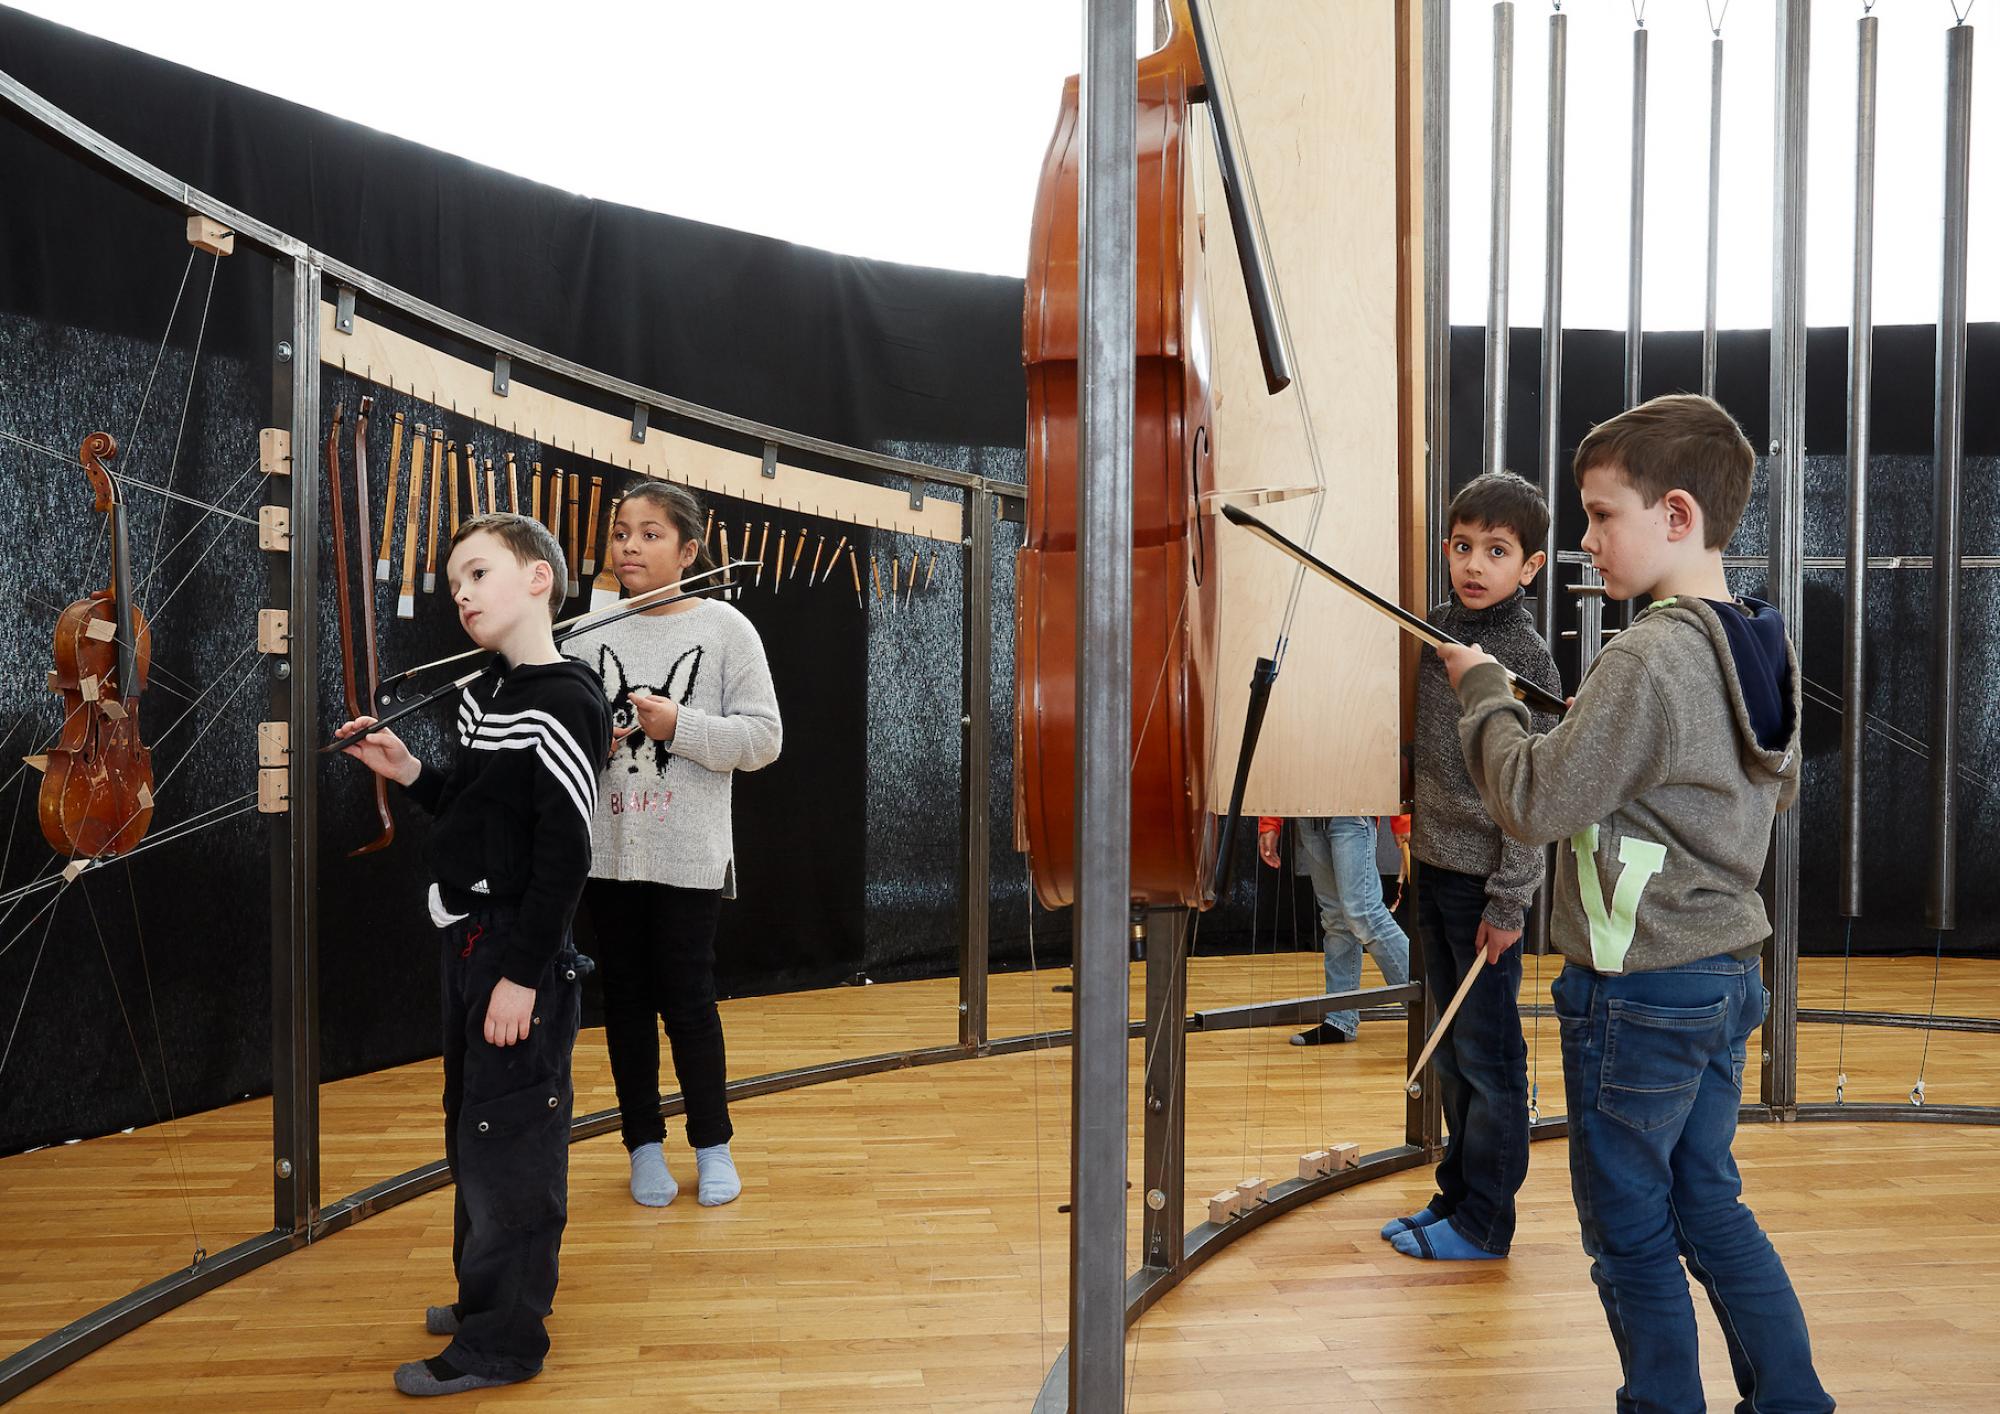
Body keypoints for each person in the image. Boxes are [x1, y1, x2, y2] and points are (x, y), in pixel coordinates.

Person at [1441, 394, 1832, 1410]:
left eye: (1598, 515)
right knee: (1707, 1205)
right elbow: (1760, 783)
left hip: (1637, 993)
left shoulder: (1645, 656)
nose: (1582, 540)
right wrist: (1600, 743)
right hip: (1718, 978)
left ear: (1672, 515)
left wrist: (1483, 693)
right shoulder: (1756, 637)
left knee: (1628, 1232)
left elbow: (1529, 801)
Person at [340, 512, 611, 1397]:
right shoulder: (486, 693)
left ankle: (504, 1340)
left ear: (539, 579)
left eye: (479, 572)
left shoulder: (568, 698)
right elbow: (478, 809)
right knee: (476, 1125)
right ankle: (493, 1297)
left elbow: (564, 857)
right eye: (454, 580)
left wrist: (522, 974)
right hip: (467, 941)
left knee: (511, 1140)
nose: (460, 591)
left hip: (513, 951)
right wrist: (411, 769)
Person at [563, 481, 782, 1209]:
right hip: (607, 852)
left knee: (688, 999)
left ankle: (712, 1143)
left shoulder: (727, 629)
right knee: (623, 1000)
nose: (629, 546)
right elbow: (561, 749)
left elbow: (763, 739)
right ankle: (642, 1144)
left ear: (689, 550)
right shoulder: (584, 636)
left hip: (688, 853)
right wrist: (601, 737)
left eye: (651, 534)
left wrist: (677, 727)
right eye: (622, 532)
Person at [1383, 469, 1561, 1263]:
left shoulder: (1528, 662)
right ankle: (1456, 1194)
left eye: (1496, 550)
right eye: (1462, 546)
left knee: (1488, 1059)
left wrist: (1510, 900)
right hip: (1433, 873)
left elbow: (1534, 798)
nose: (1473, 564)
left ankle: (1487, 1221)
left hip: (1486, 890)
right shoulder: (1428, 634)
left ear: (1529, 567)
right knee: (1452, 1054)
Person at [1255, 816, 1411, 1045]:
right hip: (1309, 814)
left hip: (1352, 810)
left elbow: (1387, 777)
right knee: (1336, 918)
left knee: (1364, 914)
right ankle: (1340, 1018)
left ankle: (1430, 1012)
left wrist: (1402, 819)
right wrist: (1269, 822)